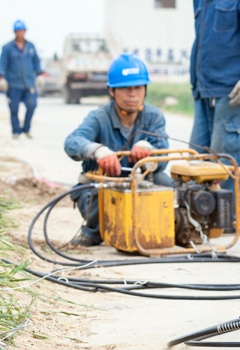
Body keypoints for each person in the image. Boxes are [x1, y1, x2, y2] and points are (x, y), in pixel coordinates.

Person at [64, 54, 173, 247]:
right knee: (88, 190)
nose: (132, 94)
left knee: (167, 184)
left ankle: (159, 228)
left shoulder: (154, 117)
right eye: (125, 88)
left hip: (140, 183)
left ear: (145, 90)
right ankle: (93, 232)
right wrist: (97, 150)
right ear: (112, 91)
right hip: (106, 187)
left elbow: (163, 157)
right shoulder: (99, 117)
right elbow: (72, 142)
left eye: (138, 88)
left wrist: (149, 153)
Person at [189, 0, 240, 231]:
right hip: (205, 88)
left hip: (234, 90)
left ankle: (231, 221)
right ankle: (202, 218)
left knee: (227, 160)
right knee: (197, 160)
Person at [0, 20, 44, 139]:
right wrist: (1, 78)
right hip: (13, 84)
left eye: (22, 30)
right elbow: (2, 63)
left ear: (25, 31)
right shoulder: (7, 48)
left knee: (32, 105)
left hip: (29, 84)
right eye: (18, 31)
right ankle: (16, 131)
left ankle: (26, 129)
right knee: (14, 109)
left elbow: (36, 61)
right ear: (15, 32)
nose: (20, 33)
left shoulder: (31, 46)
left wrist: (39, 74)